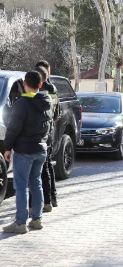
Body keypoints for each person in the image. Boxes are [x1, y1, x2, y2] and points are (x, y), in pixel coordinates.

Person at [2, 71, 53, 234]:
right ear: (40, 84)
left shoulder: (22, 103)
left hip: (24, 150)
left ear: (24, 83)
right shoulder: (47, 101)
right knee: (36, 183)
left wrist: (7, 147)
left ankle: (20, 223)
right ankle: (37, 220)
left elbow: (13, 128)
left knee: (22, 186)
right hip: (41, 149)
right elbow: (49, 126)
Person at [35, 60, 60, 208]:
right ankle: (51, 198)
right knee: (47, 166)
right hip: (49, 131)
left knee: (43, 168)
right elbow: (57, 113)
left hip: (43, 133)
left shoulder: (38, 90)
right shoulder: (53, 89)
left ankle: (47, 200)